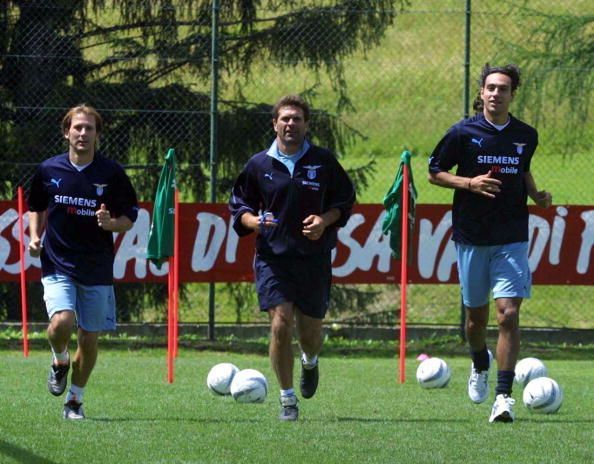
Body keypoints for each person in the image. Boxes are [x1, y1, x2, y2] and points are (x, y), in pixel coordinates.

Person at [428, 64, 552, 423]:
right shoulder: (462, 132)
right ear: (481, 93)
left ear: (513, 95)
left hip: (511, 235)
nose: (496, 93)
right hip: (471, 236)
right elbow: (434, 172)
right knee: (475, 321)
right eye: (491, 88)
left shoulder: (526, 134)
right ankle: (479, 360)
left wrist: (536, 194)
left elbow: (522, 167)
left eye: (504, 88)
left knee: (508, 315)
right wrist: (468, 184)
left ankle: (503, 397)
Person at [229, 95, 356, 421]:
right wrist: (254, 222)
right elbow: (239, 206)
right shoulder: (259, 164)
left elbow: (345, 200)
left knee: (310, 334)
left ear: (306, 125)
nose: (290, 124)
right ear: (274, 124)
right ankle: (287, 400)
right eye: (284, 118)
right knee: (280, 324)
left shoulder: (323, 161)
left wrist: (324, 221)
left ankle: (310, 362)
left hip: (313, 260)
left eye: (297, 119)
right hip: (274, 258)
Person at [27, 104, 139, 420]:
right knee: (61, 322)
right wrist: (35, 236)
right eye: (77, 127)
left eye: (89, 128)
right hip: (57, 261)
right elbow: (36, 206)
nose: (82, 133)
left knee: (89, 338)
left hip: (97, 266)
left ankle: (75, 400)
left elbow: (130, 215)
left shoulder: (112, 173)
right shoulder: (49, 170)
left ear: (97, 135)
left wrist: (111, 224)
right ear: (66, 132)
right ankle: (59, 358)